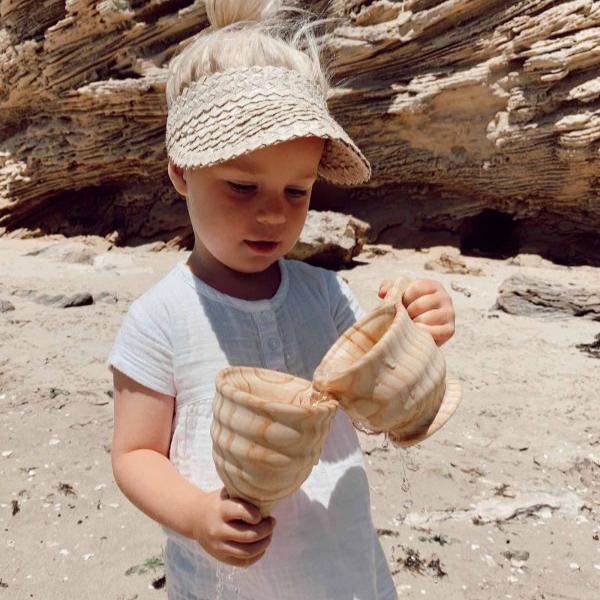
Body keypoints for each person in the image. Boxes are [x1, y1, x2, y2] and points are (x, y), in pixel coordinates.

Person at [108, 1, 456, 598]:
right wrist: (194, 515)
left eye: (297, 190)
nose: (273, 212)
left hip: (342, 567)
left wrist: (416, 325)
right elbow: (135, 454)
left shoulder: (323, 294)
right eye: (243, 186)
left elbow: (381, 396)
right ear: (180, 174)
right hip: (231, 578)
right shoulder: (159, 318)